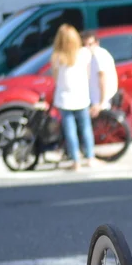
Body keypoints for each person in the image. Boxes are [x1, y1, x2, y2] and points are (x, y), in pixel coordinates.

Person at [50, 24, 94, 172]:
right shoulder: (84, 54)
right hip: (81, 95)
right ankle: (90, 157)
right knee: (85, 127)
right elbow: (88, 74)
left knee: (70, 130)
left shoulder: (57, 57)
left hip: (64, 97)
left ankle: (76, 161)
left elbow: (56, 79)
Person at [83, 31, 118, 119]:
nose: (87, 47)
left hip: (100, 101)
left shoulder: (98, 56)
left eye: (90, 44)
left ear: (96, 43)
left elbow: (103, 79)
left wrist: (101, 103)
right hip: (97, 100)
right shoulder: (94, 55)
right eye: (84, 45)